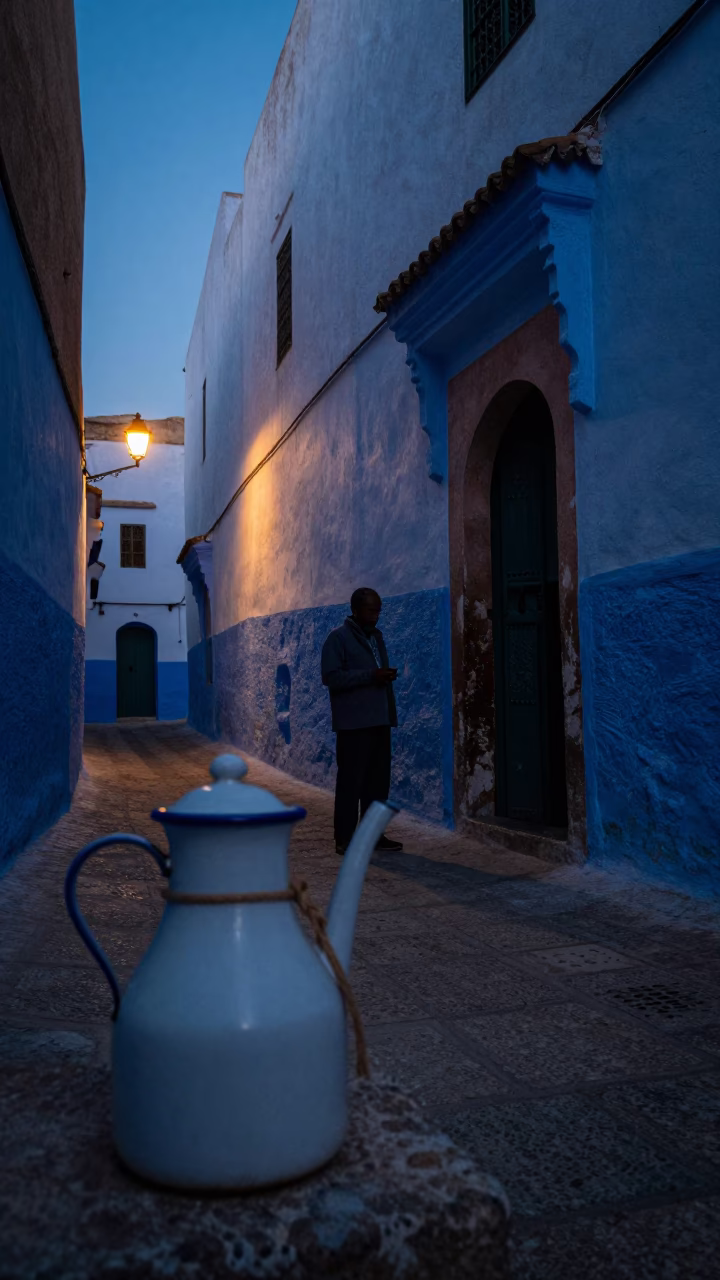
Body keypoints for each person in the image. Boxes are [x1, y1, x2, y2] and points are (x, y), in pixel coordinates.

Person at [321, 588, 403, 855]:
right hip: (353, 725)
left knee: (378, 785)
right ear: (355, 610)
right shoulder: (338, 639)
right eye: (371, 610)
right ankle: (344, 839)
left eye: (378, 610)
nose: (376, 615)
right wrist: (371, 676)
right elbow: (331, 678)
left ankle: (373, 836)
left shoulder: (376, 637)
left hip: (379, 721)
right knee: (351, 784)